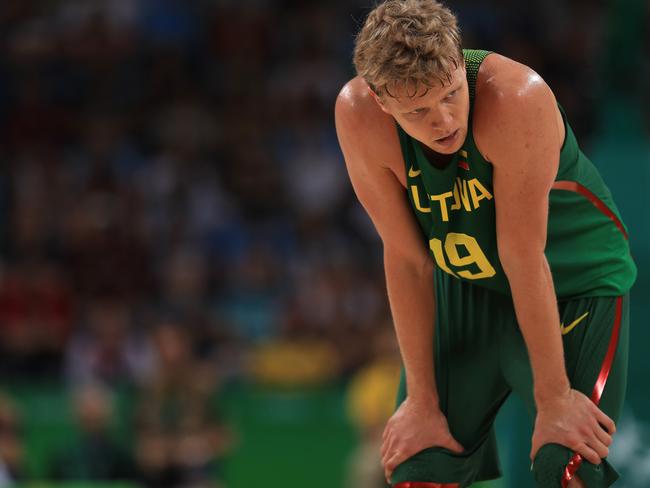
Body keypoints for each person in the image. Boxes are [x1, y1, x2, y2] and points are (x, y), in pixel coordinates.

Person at [334, 1, 637, 487]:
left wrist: (555, 399)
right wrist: (420, 402)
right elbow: (408, 260)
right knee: (419, 464)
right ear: (380, 99)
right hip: (467, 284)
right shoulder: (357, 116)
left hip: (570, 284)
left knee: (570, 466)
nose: (444, 121)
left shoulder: (517, 98)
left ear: (460, 58)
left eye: (452, 94)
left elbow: (522, 255)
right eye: (418, 110)